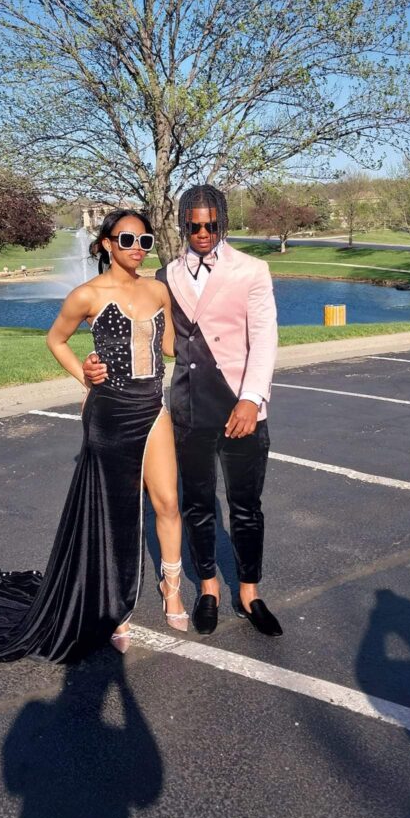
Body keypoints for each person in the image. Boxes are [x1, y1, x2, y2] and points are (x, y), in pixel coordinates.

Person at [0, 209, 187, 663]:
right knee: (115, 514)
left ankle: (171, 590)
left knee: (167, 502)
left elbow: (171, 346)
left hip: (152, 409)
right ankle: (114, 608)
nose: (137, 249)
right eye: (127, 240)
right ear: (104, 244)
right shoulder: (86, 295)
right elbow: (55, 340)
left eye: (145, 241)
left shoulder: (159, 291)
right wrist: (86, 373)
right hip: (110, 413)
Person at [85, 185, 282, 637]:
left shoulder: (252, 270)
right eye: (193, 224)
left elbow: (266, 337)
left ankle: (250, 593)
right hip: (190, 406)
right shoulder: (166, 275)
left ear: (224, 222)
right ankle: (209, 588)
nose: (202, 232)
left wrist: (252, 399)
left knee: (246, 506)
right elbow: (144, 333)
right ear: (181, 225)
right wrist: (96, 363)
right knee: (197, 505)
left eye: (211, 224)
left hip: (240, 405)